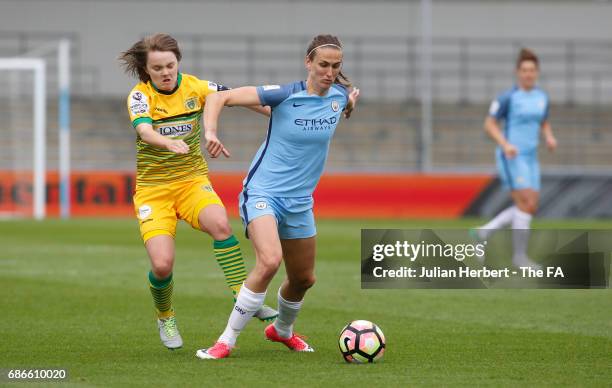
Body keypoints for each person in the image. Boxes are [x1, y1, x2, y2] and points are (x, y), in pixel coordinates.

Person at [194, 34, 360, 360]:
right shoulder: (285, 94)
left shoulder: (339, 96)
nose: (329, 71)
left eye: (335, 66)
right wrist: (210, 132)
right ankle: (226, 341)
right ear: (308, 63)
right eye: (323, 64)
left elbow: (344, 103)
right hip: (263, 193)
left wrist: (351, 104)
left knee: (303, 278)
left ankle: (281, 331)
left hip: (300, 202)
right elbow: (219, 98)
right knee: (269, 261)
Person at [118, 33, 278, 350]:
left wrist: (277, 114)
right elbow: (145, 130)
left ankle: (243, 297)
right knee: (162, 265)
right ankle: (165, 316)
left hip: (191, 181)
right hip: (154, 191)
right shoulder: (140, 96)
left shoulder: (195, 87)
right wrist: (167, 142)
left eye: (170, 65)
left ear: (178, 62)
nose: (165, 72)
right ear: (146, 70)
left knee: (220, 224)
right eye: (158, 68)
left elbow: (237, 96)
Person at [472, 48, 557, 269]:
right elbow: (489, 124)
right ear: (517, 72)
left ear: (537, 72)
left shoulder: (541, 97)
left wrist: (549, 137)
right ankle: (519, 258)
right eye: (524, 70)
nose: (528, 74)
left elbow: (544, 121)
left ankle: (483, 233)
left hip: (531, 157)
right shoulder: (508, 98)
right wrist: (505, 144)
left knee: (529, 206)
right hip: (511, 157)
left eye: (532, 70)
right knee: (526, 201)